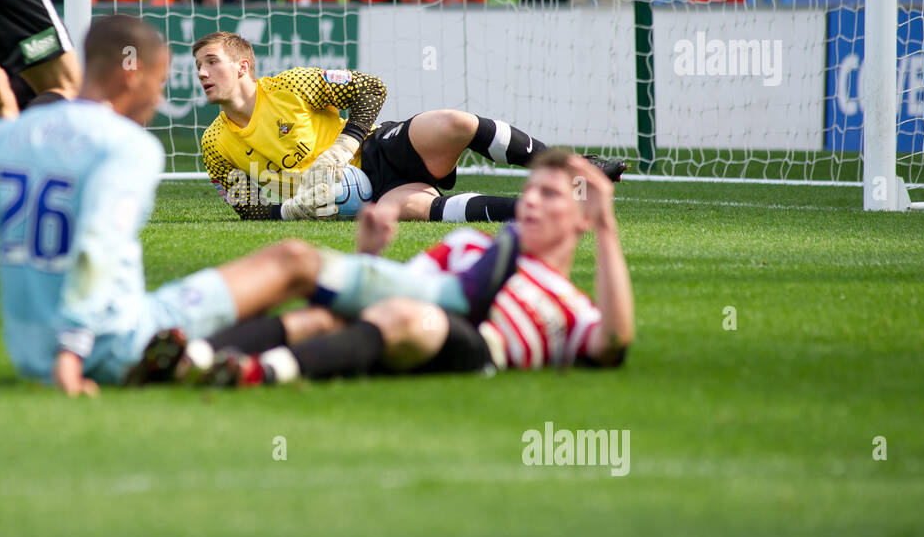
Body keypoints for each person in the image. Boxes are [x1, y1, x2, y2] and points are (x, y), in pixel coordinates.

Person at [0, 16, 317, 394]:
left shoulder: (1, 139)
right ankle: (341, 335)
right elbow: (97, 246)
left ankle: (220, 354)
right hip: (117, 341)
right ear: (133, 72)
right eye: (159, 82)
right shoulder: (129, 146)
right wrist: (71, 353)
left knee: (297, 303)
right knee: (292, 260)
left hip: (30, 356)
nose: (159, 97)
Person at [162, 149, 633, 386]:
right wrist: (368, 255)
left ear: (583, 219)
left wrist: (609, 229)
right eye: (529, 190)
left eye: (549, 195)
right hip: (415, 314)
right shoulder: (469, 246)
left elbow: (613, 343)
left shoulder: (573, 308)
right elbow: (389, 290)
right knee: (327, 313)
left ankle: (259, 373)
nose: (530, 201)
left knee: (413, 316)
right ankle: (192, 354)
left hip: (473, 349)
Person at [192, 30, 626, 223]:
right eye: (198, 66)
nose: (202, 73)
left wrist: (344, 146)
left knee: (456, 122)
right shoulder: (214, 144)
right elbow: (244, 207)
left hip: (380, 148)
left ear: (243, 65)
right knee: (421, 211)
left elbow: (372, 89)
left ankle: (572, 168)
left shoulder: (290, 85)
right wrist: (290, 210)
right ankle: (551, 206)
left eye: (212, 62)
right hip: (368, 197)